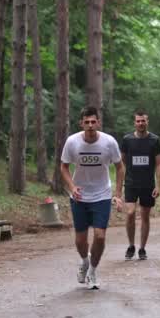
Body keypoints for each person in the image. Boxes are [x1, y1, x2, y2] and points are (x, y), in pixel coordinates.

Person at [59, 106, 124, 290]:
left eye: (93, 121)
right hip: (79, 196)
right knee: (80, 240)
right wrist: (72, 187)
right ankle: (85, 261)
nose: (90, 125)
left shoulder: (109, 142)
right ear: (81, 124)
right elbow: (63, 167)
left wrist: (118, 195)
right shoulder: (72, 142)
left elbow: (120, 167)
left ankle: (93, 271)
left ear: (98, 123)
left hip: (102, 194)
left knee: (100, 236)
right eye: (86, 122)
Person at [118, 110, 160, 261]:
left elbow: (159, 164)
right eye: (138, 121)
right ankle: (131, 245)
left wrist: (158, 185)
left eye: (143, 121)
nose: (140, 123)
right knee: (130, 213)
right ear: (134, 123)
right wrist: (122, 180)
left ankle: (142, 248)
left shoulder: (154, 140)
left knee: (145, 216)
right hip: (131, 183)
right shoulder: (127, 139)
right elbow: (121, 162)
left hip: (148, 184)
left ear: (147, 122)